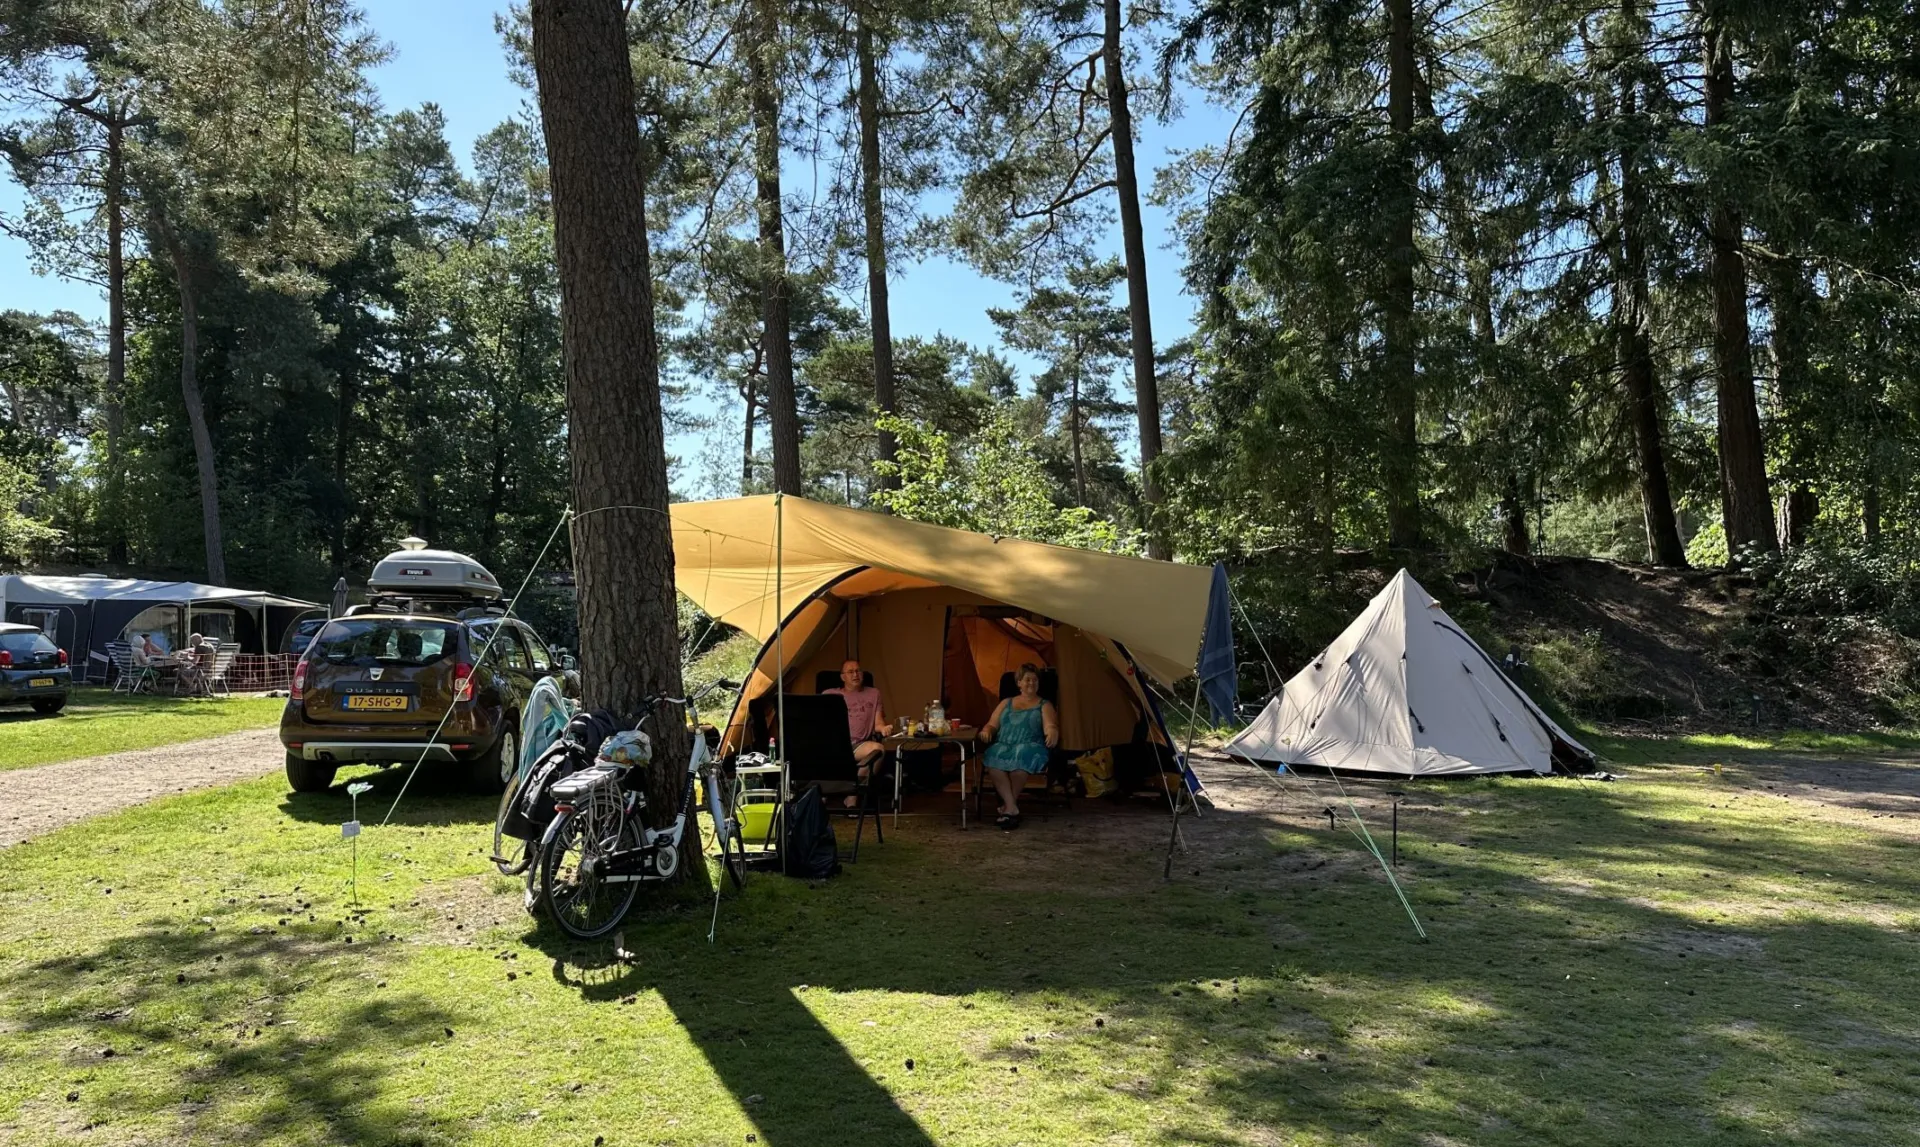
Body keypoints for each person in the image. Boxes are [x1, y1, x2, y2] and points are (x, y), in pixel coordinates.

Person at [978, 663, 1057, 830]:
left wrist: (1052, 732)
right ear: (1019, 682)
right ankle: (1011, 808)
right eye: (1027, 680)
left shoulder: (1044, 704)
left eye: (1035, 680)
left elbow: (1050, 725)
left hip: (1031, 744)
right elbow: (992, 724)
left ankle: (1008, 808)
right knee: (994, 757)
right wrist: (987, 731)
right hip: (1004, 743)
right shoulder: (1006, 703)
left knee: (1021, 758)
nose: (1031, 683)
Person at [824, 658, 892, 808]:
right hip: (834, 745)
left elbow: (878, 722)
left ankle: (852, 796)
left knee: (878, 750)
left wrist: (883, 728)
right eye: (850, 672)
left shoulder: (874, 694)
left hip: (858, 745)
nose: (855, 674)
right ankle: (819, 798)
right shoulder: (830, 695)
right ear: (842, 677)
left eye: (858, 671)